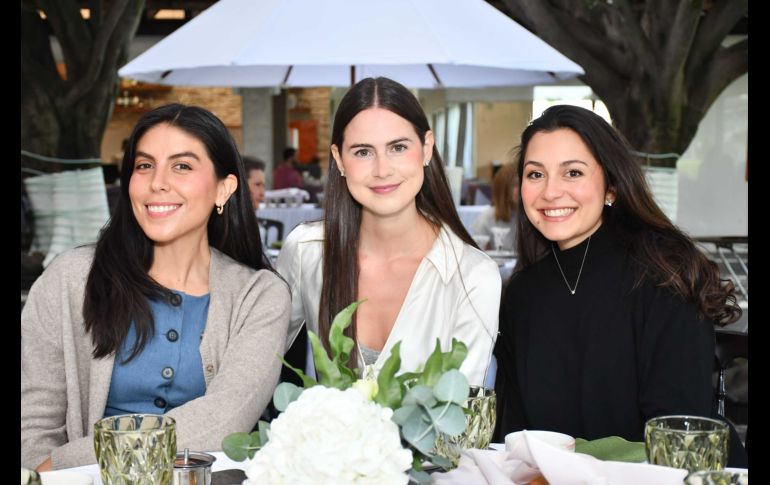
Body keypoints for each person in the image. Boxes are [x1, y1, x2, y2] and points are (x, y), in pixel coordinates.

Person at [21, 104, 291, 470]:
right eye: (144, 165)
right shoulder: (70, 280)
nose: (157, 182)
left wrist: (64, 463)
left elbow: (225, 421)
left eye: (182, 166)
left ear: (224, 189)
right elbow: (32, 422)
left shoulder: (259, 296)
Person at [492, 105, 746, 465]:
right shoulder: (523, 294)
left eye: (573, 173)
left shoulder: (664, 273)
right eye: (536, 175)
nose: (550, 192)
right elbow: (513, 435)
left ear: (611, 185)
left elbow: (674, 435)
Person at [276, 77, 500, 387]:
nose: (382, 169)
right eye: (363, 152)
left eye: (398, 147)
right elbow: (258, 362)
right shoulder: (307, 250)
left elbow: (459, 414)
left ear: (426, 148)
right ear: (339, 160)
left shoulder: (474, 277)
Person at [471, 163, 518, 252]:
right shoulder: (487, 217)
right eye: (516, 185)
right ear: (503, 189)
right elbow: (480, 253)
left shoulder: (532, 215)